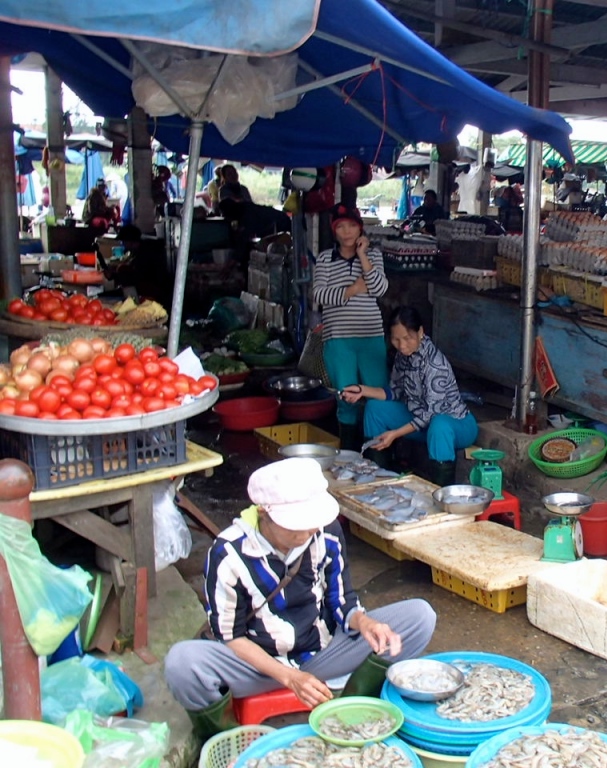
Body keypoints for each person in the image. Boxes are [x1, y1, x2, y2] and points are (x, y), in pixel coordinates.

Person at [164, 458, 436, 741]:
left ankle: (350, 710)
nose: (308, 531)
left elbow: (340, 598)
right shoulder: (228, 554)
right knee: (182, 663)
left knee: (419, 617)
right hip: (257, 666)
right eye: (296, 524)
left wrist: (364, 622)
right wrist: (289, 677)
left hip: (321, 653)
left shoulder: (325, 531)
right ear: (263, 513)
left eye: (312, 522)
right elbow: (232, 637)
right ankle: (228, 738)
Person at [343, 306, 478, 487]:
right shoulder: (403, 356)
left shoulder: (434, 363)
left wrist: (396, 434)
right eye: (395, 339)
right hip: (420, 421)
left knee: (439, 425)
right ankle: (377, 481)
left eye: (407, 338)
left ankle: (442, 493)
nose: (402, 345)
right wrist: (362, 390)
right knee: (374, 408)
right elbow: (395, 391)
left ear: (420, 332)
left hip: (456, 425)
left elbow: (430, 414)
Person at [312, 203, 389, 451]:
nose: (347, 232)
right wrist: (352, 290)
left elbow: (379, 289)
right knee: (347, 397)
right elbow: (320, 295)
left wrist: (363, 256)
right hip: (338, 340)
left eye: (352, 226)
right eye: (341, 227)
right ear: (334, 231)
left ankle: (378, 454)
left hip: (371, 336)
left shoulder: (374, 256)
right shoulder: (325, 258)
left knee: (378, 395)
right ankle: (349, 454)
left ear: (360, 229)